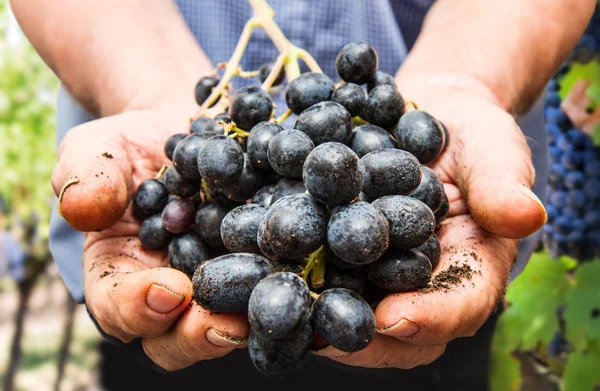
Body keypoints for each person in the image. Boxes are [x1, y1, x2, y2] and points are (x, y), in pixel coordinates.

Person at [10, 0, 595, 389]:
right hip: (166, 303)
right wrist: (141, 87)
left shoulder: (372, 183)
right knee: (176, 318)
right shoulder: (230, 175)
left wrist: (472, 80)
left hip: (438, 296)